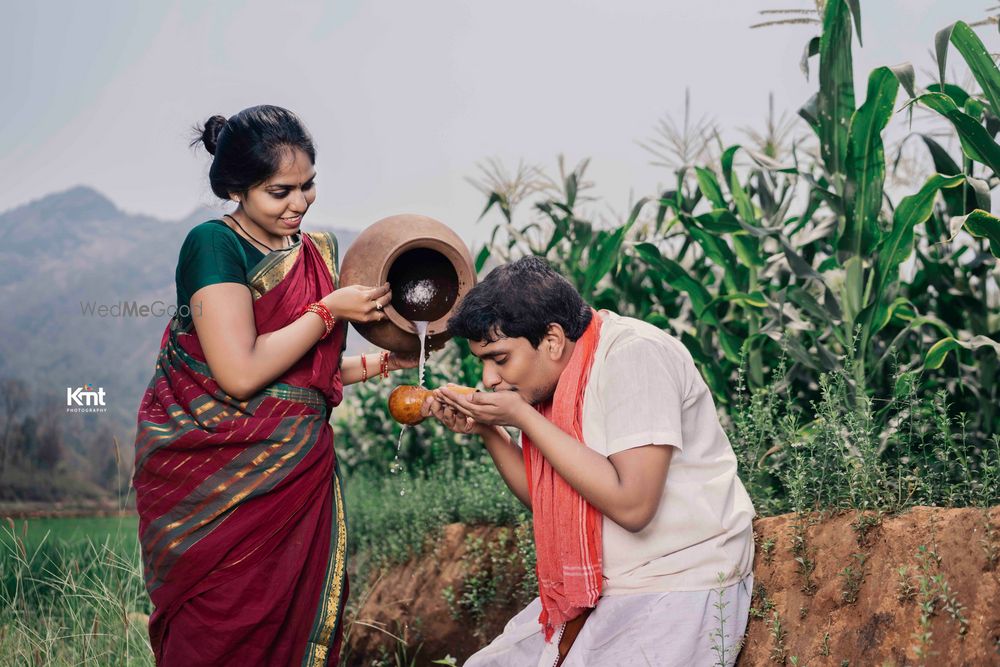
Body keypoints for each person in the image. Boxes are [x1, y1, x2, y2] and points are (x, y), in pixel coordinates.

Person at [133, 104, 416, 666]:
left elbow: (302, 379)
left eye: (307, 186)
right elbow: (240, 374)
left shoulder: (312, 252)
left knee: (290, 618)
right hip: (218, 474)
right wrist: (329, 311)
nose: (298, 203)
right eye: (278, 191)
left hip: (296, 471)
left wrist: (379, 365)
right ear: (238, 188)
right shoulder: (214, 245)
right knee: (221, 627)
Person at [421, 256, 756, 666]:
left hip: (680, 582)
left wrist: (521, 417)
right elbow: (546, 497)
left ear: (553, 340)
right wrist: (490, 430)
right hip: (606, 587)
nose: (489, 378)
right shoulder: (550, 385)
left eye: (500, 358)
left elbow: (634, 507)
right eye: (483, 362)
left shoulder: (635, 356)